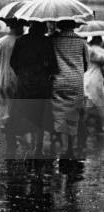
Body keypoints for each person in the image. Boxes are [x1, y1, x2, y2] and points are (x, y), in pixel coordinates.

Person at [8, 21, 58, 157]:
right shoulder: (47, 41)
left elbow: (13, 62)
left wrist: (23, 73)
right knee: (40, 114)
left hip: (24, 82)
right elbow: (53, 64)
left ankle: (27, 144)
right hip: (41, 83)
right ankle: (38, 146)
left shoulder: (21, 41)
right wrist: (47, 72)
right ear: (43, 27)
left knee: (24, 112)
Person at [50, 20, 89, 159]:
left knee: (59, 114)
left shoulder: (53, 40)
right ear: (74, 25)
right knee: (74, 115)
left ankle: (62, 145)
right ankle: (71, 147)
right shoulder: (81, 41)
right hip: (76, 83)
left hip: (58, 81)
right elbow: (86, 64)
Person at [0, 19, 23, 119]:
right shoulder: (20, 41)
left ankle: (8, 128)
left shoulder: (1, 41)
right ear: (18, 27)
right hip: (17, 80)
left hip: (3, 79)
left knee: (7, 108)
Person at [83, 35, 104, 134]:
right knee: (99, 103)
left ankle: (84, 125)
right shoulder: (98, 51)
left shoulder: (87, 48)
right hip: (95, 79)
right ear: (99, 41)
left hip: (86, 78)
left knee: (89, 102)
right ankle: (99, 126)